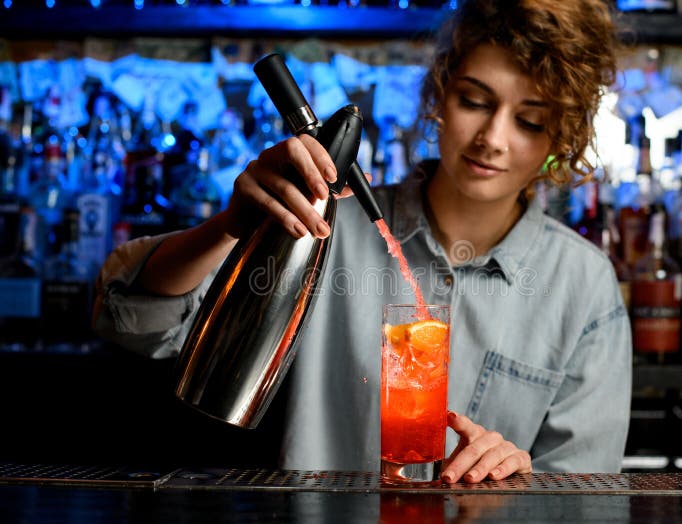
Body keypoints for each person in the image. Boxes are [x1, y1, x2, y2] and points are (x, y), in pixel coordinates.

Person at [93, 0, 631, 481]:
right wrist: (232, 223)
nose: (493, 139)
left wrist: (518, 476)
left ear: (561, 138)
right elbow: (132, 321)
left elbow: (587, 497)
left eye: (531, 122)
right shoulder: (324, 225)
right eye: (474, 101)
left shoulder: (581, 283)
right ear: (439, 95)